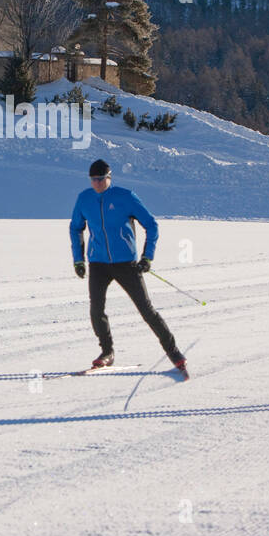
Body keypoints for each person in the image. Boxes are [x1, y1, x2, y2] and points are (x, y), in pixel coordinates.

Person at [69, 159, 187, 374]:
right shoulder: (84, 199)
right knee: (96, 310)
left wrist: (147, 256)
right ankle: (107, 352)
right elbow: (76, 228)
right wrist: (78, 259)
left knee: (146, 309)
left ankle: (174, 352)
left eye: (100, 179)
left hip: (126, 263)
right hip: (98, 263)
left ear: (109, 177)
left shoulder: (125, 196)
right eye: (93, 180)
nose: (96, 183)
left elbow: (151, 225)